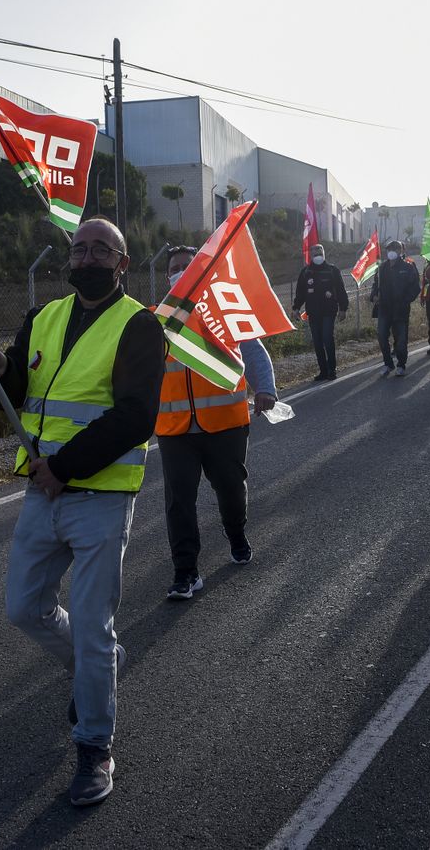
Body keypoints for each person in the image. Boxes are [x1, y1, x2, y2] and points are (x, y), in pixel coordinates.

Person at [0, 216, 164, 807]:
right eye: (79, 248)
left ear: (122, 263)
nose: (86, 257)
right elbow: (17, 386)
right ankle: (98, 667)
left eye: (100, 249)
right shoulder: (44, 317)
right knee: (24, 608)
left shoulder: (139, 327)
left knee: (93, 622)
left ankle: (95, 748)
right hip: (42, 491)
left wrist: (65, 467)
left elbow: (135, 416)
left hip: (99, 495)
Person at [156, 246, 277, 601]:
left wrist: (265, 389)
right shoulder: (157, 319)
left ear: (202, 272)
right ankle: (185, 572)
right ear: (167, 278)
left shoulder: (224, 311)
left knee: (230, 489)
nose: (181, 272)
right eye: (175, 268)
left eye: (187, 266)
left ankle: (235, 532)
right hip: (175, 429)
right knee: (179, 500)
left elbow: (253, 350)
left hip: (225, 422)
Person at [291, 242, 348, 381]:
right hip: (313, 312)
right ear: (310, 255)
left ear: (324, 253)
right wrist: (296, 308)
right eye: (314, 252)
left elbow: (341, 290)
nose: (317, 255)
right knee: (317, 342)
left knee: (327, 338)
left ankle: (331, 370)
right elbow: (300, 293)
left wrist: (343, 309)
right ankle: (323, 371)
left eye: (319, 252)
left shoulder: (332, 270)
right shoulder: (306, 272)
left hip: (329, 311)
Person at [370, 239, 419, 377]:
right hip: (384, 309)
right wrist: (374, 296)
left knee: (401, 340)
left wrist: (405, 301)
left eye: (396, 249)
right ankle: (388, 363)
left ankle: (401, 365)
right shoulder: (381, 268)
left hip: (401, 310)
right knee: (381, 335)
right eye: (390, 249)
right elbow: (375, 286)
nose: (392, 252)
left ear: (401, 251)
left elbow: (415, 288)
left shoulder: (408, 267)